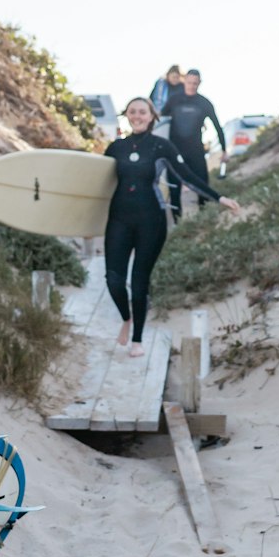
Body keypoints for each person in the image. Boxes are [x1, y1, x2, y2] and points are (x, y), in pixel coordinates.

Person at [104, 98, 239, 357]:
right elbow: (97, 184)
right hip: (118, 219)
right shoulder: (115, 148)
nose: (137, 116)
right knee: (113, 280)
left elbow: (187, 175)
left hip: (151, 221)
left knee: (139, 281)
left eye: (142, 111)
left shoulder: (161, 146)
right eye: (132, 112)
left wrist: (218, 197)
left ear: (152, 115)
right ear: (127, 116)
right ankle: (126, 318)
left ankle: (137, 340)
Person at [162, 69, 228, 222]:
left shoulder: (204, 103)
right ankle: (177, 224)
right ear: (184, 81)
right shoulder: (174, 100)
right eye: (189, 82)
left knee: (202, 186)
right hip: (174, 151)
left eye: (195, 83)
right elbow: (161, 121)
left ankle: (203, 222)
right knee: (174, 189)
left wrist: (224, 150)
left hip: (196, 151)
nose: (192, 86)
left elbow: (218, 127)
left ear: (199, 83)